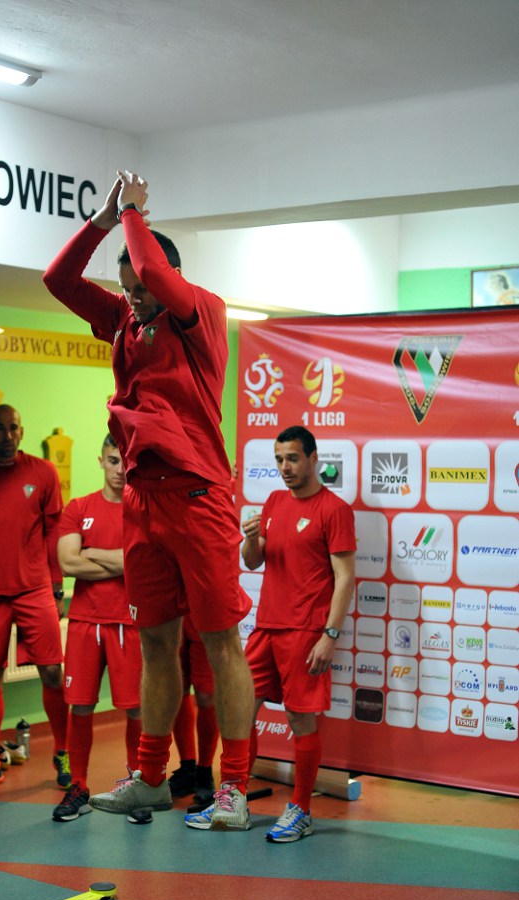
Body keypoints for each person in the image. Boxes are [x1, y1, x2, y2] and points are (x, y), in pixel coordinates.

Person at [43, 169, 254, 831]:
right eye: (127, 289)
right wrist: (103, 220)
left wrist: (134, 212)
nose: (133, 298)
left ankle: (233, 788)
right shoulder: (123, 323)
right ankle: (151, 778)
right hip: (142, 501)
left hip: (198, 497)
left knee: (220, 644)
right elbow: (57, 280)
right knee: (156, 642)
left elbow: (157, 274)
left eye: (139, 287)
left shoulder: (201, 313)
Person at [240, 425, 356, 843]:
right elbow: (253, 561)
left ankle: (301, 809)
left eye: (292, 458)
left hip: (306, 631)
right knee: (241, 709)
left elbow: (345, 578)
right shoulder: (273, 501)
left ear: (312, 458)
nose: (285, 467)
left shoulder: (334, 509)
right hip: (266, 626)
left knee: (298, 719)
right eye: (279, 459)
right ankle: (233, 798)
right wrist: (249, 540)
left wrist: (330, 635)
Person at [0, 404, 69, 790]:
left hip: (35, 589)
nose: (7, 435)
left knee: (52, 672)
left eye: (13, 428)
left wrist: (57, 586)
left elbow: (54, 531)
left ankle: (64, 752)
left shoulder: (43, 472)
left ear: (21, 432)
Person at [52, 433, 142, 822]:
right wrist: (120, 562)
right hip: (86, 622)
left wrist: (93, 552)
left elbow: (141, 562)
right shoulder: (79, 507)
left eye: (126, 462)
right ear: (101, 460)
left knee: (136, 708)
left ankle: (138, 786)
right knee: (81, 705)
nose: (120, 470)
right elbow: (68, 563)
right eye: (113, 460)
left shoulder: (143, 509)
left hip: (130, 621)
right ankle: (79, 786)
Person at [169, 614, 218, 808]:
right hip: (173, 613)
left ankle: (205, 771)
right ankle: (187, 768)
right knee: (177, 688)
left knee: (206, 695)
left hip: (205, 614)